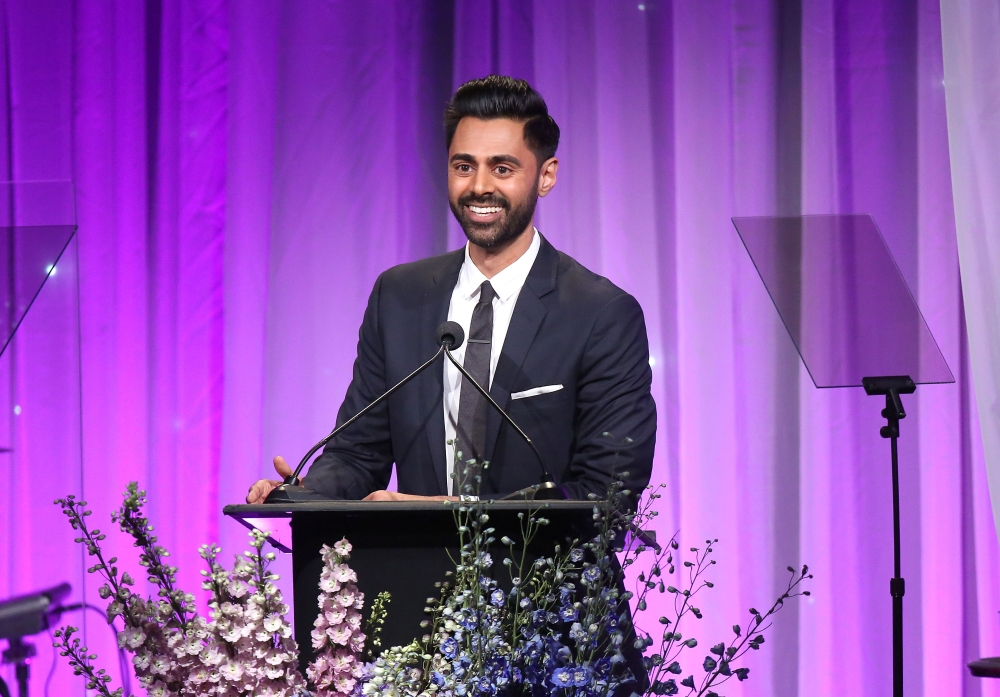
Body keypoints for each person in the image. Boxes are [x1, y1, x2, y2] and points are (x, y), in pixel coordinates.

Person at [247, 75, 655, 505]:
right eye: (464, 166)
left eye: (502, 168)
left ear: (546, 176)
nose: (479, 186)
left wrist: (441, 512)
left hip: (545, 571)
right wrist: (302, 493)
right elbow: (358, 453)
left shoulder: (600, 313)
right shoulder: (399, 297)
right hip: (416, 571)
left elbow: (608, 493)